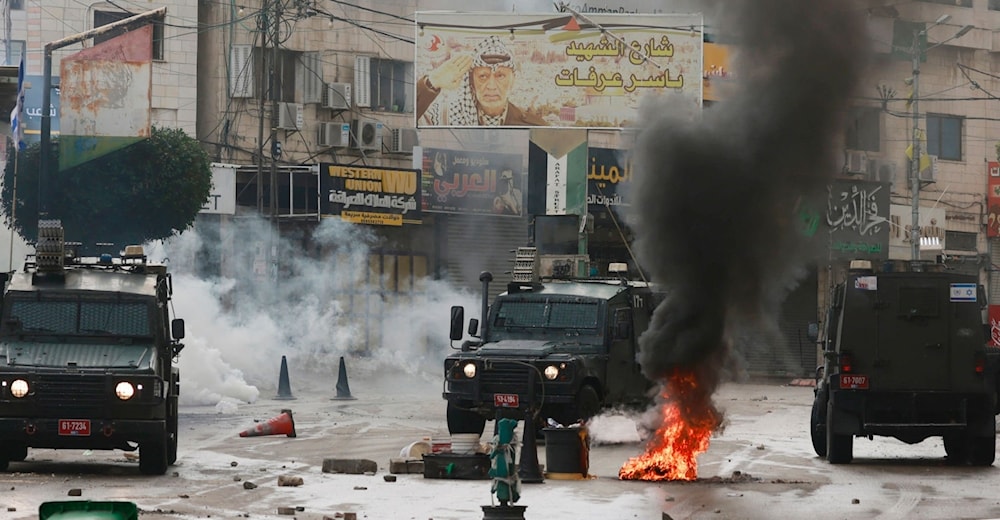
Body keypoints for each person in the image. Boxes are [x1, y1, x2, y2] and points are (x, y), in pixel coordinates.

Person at [417, 35, 546, 127]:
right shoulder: (443, 117)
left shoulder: (534, 126)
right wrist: (432, 81)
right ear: (472, 83)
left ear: (512, 81)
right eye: (483, 76)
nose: (491, 86)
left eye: (500, 76)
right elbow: (408, 121)